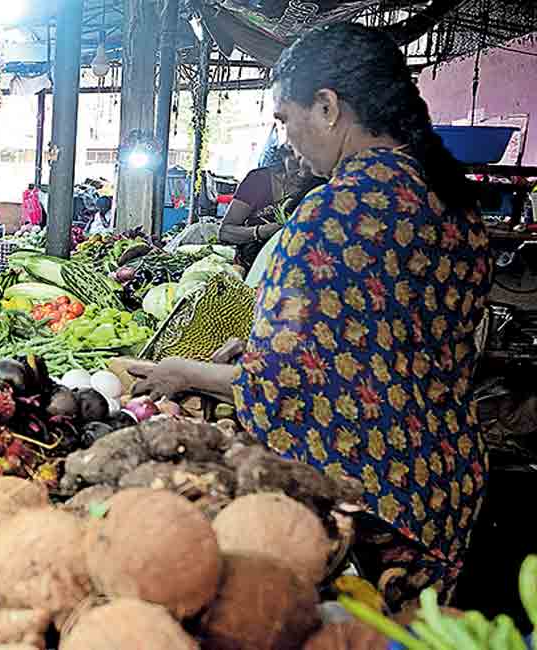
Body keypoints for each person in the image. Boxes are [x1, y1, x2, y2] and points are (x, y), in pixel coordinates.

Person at [129, 23, 490, 612]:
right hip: (442, 483)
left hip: (368, 495)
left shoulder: (338, 209)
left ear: (327, 107)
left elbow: (288, 382)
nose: (287, 138)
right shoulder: (448, 197)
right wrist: (257, 350)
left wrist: (187, 373)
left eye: (284, 118)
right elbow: (376, 339)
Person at [220, 144, 324, 271]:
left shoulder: (318, 187)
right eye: (296, 162)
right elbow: (225, 232)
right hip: (251, 263)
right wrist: (261, 231)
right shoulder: (258, 180)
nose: (301, 172)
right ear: (286, 156)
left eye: (308, 166)